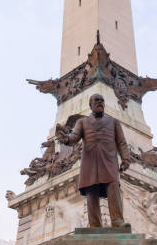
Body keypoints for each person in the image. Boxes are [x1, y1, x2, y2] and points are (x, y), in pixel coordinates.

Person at [56, 93, 130, 227]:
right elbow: (74, 137)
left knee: (113, 188)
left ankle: (118, 221)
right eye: (96, 100)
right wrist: (65, 138)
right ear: (90, 104)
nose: (100, 102)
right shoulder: (82, 122)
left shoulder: (114, 122)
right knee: (91, 191)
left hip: (109, 160)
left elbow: (122, 142)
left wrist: (125, 158)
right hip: (89, 161)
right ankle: (94, 225)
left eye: (102, 100)